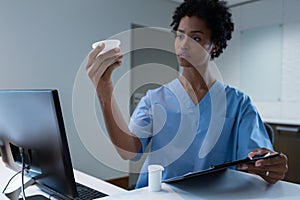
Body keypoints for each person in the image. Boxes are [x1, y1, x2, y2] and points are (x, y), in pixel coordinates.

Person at [85, 0, 288, 189]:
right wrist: (105, 92)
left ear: (214, 44)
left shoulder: (238, 104)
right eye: (180, 35)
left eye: (196, 38)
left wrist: (270, 166)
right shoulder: (154, 99)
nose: (183, 45)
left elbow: (259, 161)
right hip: (158, 195)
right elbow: (127, 151)